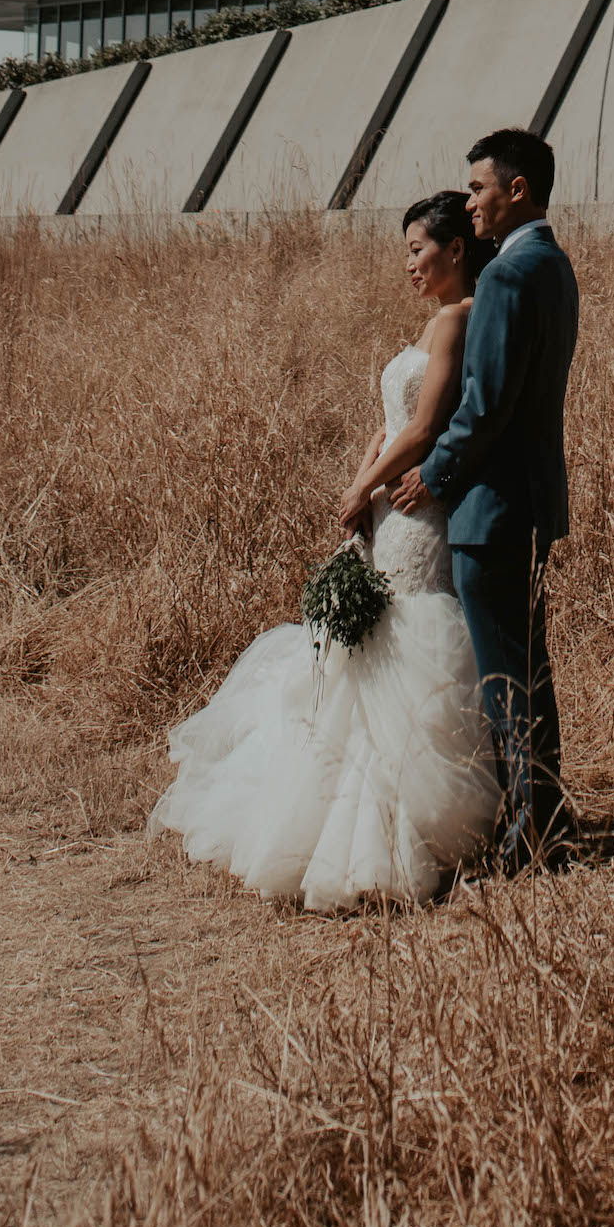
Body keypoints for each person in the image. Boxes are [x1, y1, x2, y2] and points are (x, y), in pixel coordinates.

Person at [146, 191, 501, 909]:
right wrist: (366, 468)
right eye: (405, 251)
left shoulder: (459, 321)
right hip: (390, 505)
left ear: (454, 249)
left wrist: (360, 487)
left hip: (414, 511)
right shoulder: (434, 323)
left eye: (416, 249)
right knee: (367, 654)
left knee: (403, 644)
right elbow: (394, 420)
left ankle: (400, 829)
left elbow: (428, 425)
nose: (408, 263)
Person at [392, 126, 579, 873]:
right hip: (530, 495)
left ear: (517, 191)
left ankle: (532, 837)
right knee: (526, 669)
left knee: (506, 678)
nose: (470, 201)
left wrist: (431, 476)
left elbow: (486, 402)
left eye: (477, 188)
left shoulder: (505, 275)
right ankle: (547, 819)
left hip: (491, 505)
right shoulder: (553, 264)